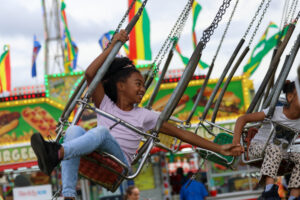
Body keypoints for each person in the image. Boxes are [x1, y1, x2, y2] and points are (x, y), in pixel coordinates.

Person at [30, 30, 243, 200]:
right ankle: (68, 195)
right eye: (138, 84)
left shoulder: (146, 116)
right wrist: (113, 46)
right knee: (74, 129)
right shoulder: (104, 103)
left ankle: (56, 153)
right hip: (97, 152)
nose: (142, 89)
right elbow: (90, 74)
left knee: (102, 131)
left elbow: (182, 134)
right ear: (121, 85)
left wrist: (218, 147)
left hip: (120, 163)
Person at [232, 81, 300, 200]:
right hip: (258, 148)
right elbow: (242, 119)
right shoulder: (275, 111)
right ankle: (269, 192)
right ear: (290, 97)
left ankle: (293, 197)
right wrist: (236, 143)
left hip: (282, 153)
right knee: (275, 148)